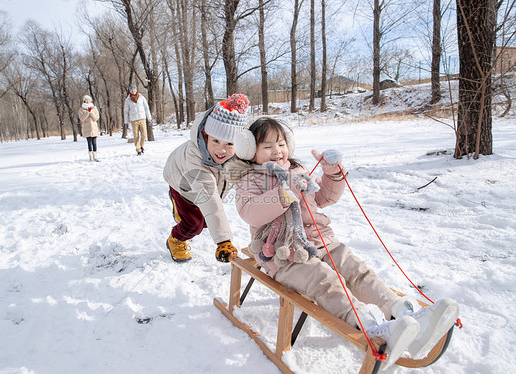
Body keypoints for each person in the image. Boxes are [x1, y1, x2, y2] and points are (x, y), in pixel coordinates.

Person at [228, 117, 460, 369]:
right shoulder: (249, 179)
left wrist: (333, 175)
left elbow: (323, 199)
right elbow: (250, 212)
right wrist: (285, 192)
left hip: (320, 241)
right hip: (285, 255)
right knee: (323, 279)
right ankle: (371, 325)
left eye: (281, 144)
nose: (277, 151)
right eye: (267, 147)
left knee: (354, 268)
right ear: (250, 151)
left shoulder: (296, 170)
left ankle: (399, 310)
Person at [163, 93, 250, 263]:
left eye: (229, 144)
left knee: (206, 222)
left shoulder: (237, 157)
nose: (221, 150)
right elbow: (209, 198)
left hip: (208, 188)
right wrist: (223, 241)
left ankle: (186, 219)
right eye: (215, 141)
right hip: (183, 184)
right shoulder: (195, 157)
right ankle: (175, 240)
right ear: (205, 135)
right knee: (193, 224)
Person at [124, 84, 152, 155]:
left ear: (136, 90)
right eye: (131, 89)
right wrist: (126, 122)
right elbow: (126, 111)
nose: (133, 90)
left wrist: (149, 118)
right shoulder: (128, 100)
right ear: (130, 91)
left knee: (144, 134)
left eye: (134, 89)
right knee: (136, 136)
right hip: (134, 120)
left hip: (142, 118)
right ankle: (138, 149)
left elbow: (146, 108)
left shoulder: (141, 97)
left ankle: (141, 146)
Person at [78, 95, 100, 162]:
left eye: (88, 100)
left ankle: (95, 156)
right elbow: (82, 119)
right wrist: (87, 112)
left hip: (94, 128)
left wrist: (91, 113)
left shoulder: (94, 108)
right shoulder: (81, 109)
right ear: (84, 101)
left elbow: (96, 118)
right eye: (86, 100)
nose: (87, 101)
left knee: (94, 142)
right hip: (86, 128)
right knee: (89, 142)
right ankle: (91, 156)